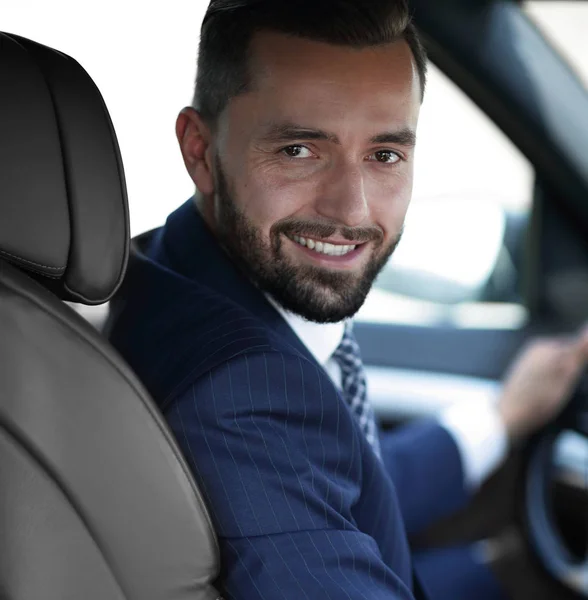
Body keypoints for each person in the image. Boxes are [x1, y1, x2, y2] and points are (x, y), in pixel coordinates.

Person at [107, 1, 588, 598]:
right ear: (200, 151)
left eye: (385, 155)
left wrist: (501, 420)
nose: (351, 212)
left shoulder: (174, 266)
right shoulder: (240, 394)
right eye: (299, 151)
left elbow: (340, 479)